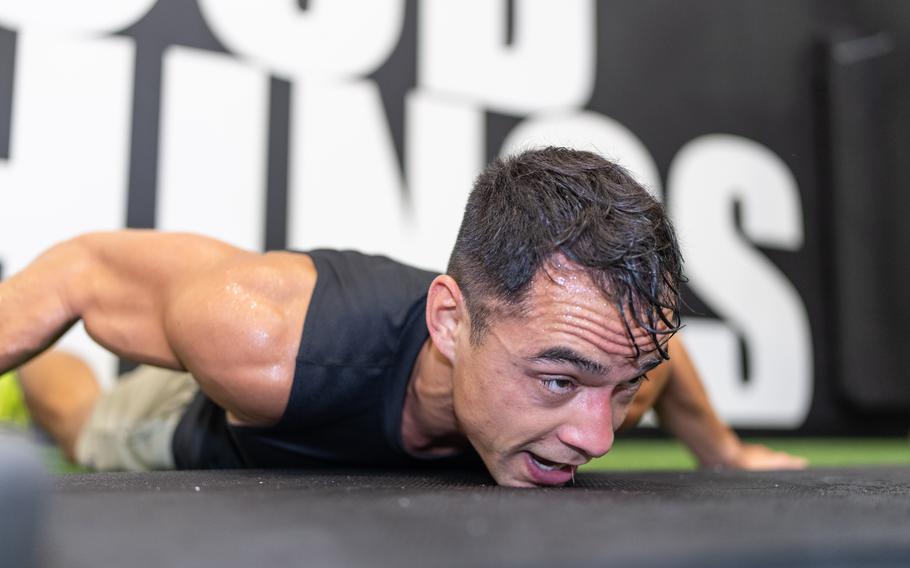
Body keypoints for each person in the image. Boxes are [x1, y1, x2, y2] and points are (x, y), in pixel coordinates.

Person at [0, 147, 805, 486]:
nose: (596, 437)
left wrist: (724, 455)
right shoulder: (262, 335)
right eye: (560, 378)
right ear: (451, 324)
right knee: (77, 421)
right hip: (204, 423)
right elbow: (80, 270)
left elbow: (662, 366)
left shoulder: (601, 367)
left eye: (618, 388)